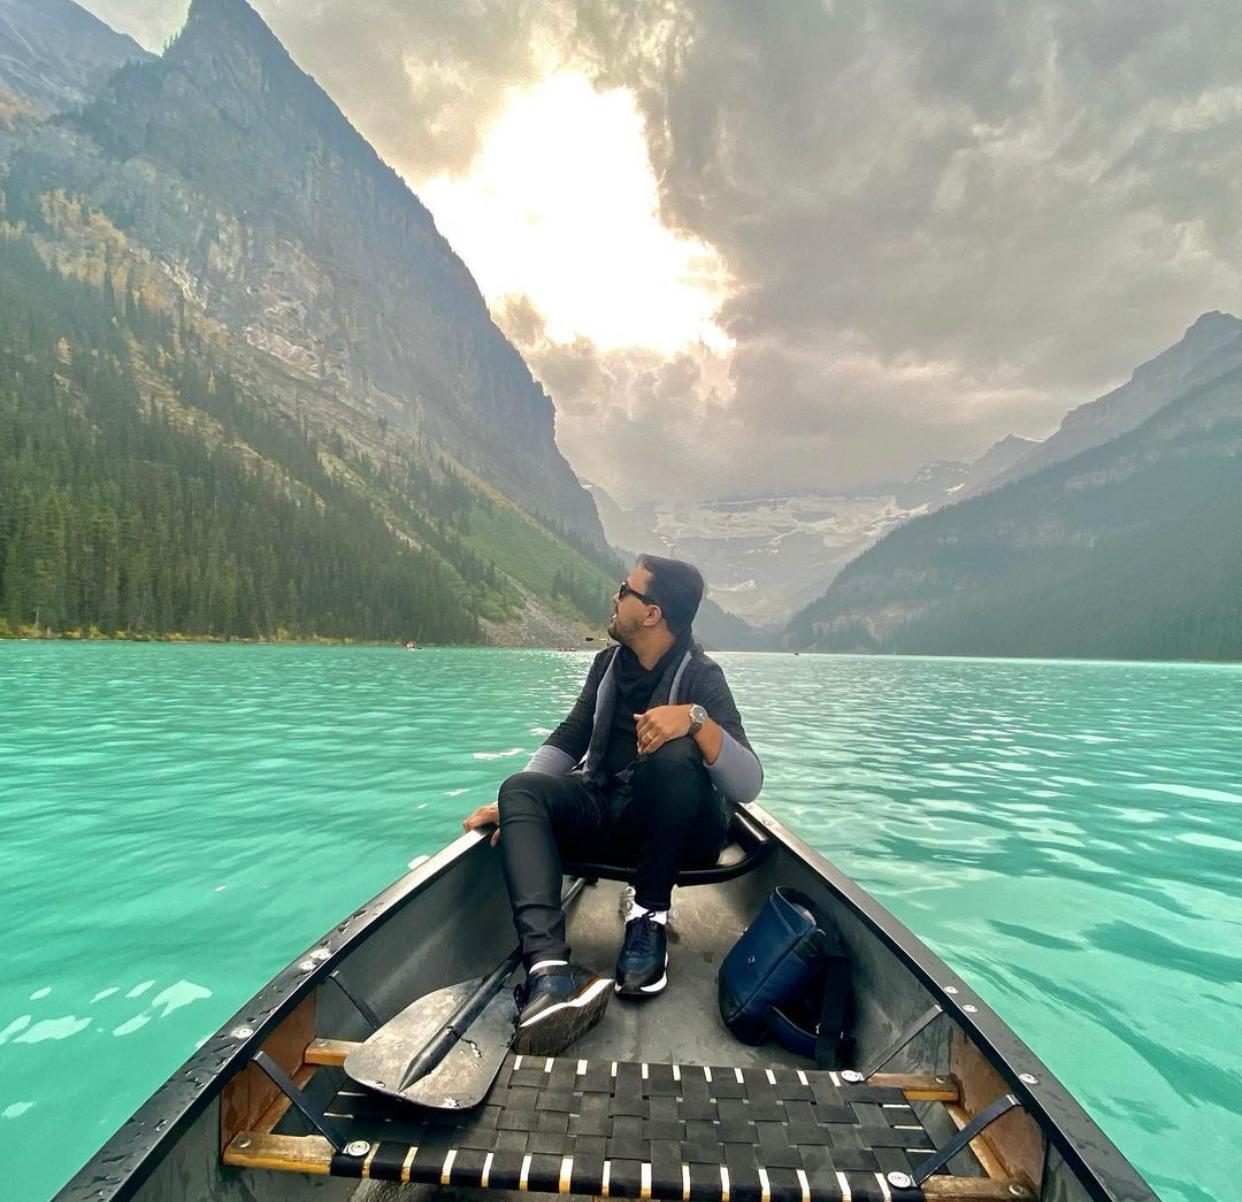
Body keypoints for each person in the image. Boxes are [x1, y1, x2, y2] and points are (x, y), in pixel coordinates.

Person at [462, 554, 763, 1056]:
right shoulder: (606, 665)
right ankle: (549, 971)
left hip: (682, 837)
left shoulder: (703, 678)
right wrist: (516, 810)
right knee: (519, 789)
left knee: (675, 755)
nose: (614, 596)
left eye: (625, 589)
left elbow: (748, 783)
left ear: (651, 613)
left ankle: (648, 918)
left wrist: (694, 721)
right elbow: (571, 736)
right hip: (610, 810)